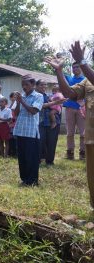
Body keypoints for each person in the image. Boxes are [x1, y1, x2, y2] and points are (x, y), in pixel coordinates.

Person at [45, 41, 94, 208]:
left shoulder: (88, 75)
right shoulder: (87, 82)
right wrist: (59, 71)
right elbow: (69, 93)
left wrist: (82, 62)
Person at [13, 75, 44, 186]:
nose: (24, 87)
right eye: (23, 85)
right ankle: (24, 178)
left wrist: (22, 101)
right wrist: (17, 102)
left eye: (26, 84)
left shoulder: (38, 96)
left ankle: (32, 180)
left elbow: (33, 111)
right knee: (22, 157)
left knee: (31, 157)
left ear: (33, 85)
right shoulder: (21, 97)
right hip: (20, 130)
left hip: (31, 132)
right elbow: (15, 113)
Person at [36, 80, 65, 165]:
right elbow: (40, 107)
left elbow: (59, 104)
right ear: (36, 86)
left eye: (45, 85)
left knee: (52, 142)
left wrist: (58, 103)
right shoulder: (34, 97)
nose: (44, 87)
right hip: (40, 123)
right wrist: (55, 102)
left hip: (52, 122)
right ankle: (39, 160)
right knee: (40, 142)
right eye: (41, 85)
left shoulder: (50, 96)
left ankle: (50, 161)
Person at [63, 62, 86, 160]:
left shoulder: (86, 79)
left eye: (77, 67)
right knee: (70, 132)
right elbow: (59, 74)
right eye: (73, 67)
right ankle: (70, 153)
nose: (75, 68)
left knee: (83, 133)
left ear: (81, 68)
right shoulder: (68, 78)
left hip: (82, 109)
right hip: (70, 108)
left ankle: (83, 153)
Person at [8, 92, 18, 157]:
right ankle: (11, 152)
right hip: (10, 124)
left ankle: (16, 153)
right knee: (10, 138)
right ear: (11, 98)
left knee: (15, 138)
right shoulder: (9, 106)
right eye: (14, 97)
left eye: (16, 97)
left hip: (15, 123)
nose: (15, 98)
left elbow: (16, 116)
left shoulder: (17, 105)